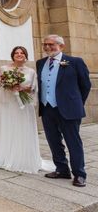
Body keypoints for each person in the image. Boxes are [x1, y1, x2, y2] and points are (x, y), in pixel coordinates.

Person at [0, 46, 54, 173]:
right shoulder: (4, 69)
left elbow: (34, 89)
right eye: (16, 53)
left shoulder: (31, 71)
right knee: (9, 129)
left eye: (22, 53)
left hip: (24, 105)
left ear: (25, 56)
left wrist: (22, 89)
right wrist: (9, 86)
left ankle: (23, 157)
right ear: (12, 55)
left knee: (22, 129)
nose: (19, 54)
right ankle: (6, 157)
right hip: (8, 105)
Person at [37, 34, 91, 187]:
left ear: (61, 46)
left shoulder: (75, 62)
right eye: (45, 44)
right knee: (54, 141)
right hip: (47, 109)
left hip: (69, 109)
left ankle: (79, 174)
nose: (47, 47)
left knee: (73, 142)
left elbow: (85, 85)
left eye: (51, 44)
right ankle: (62, 169)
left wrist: (76, 103)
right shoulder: (40, 63)